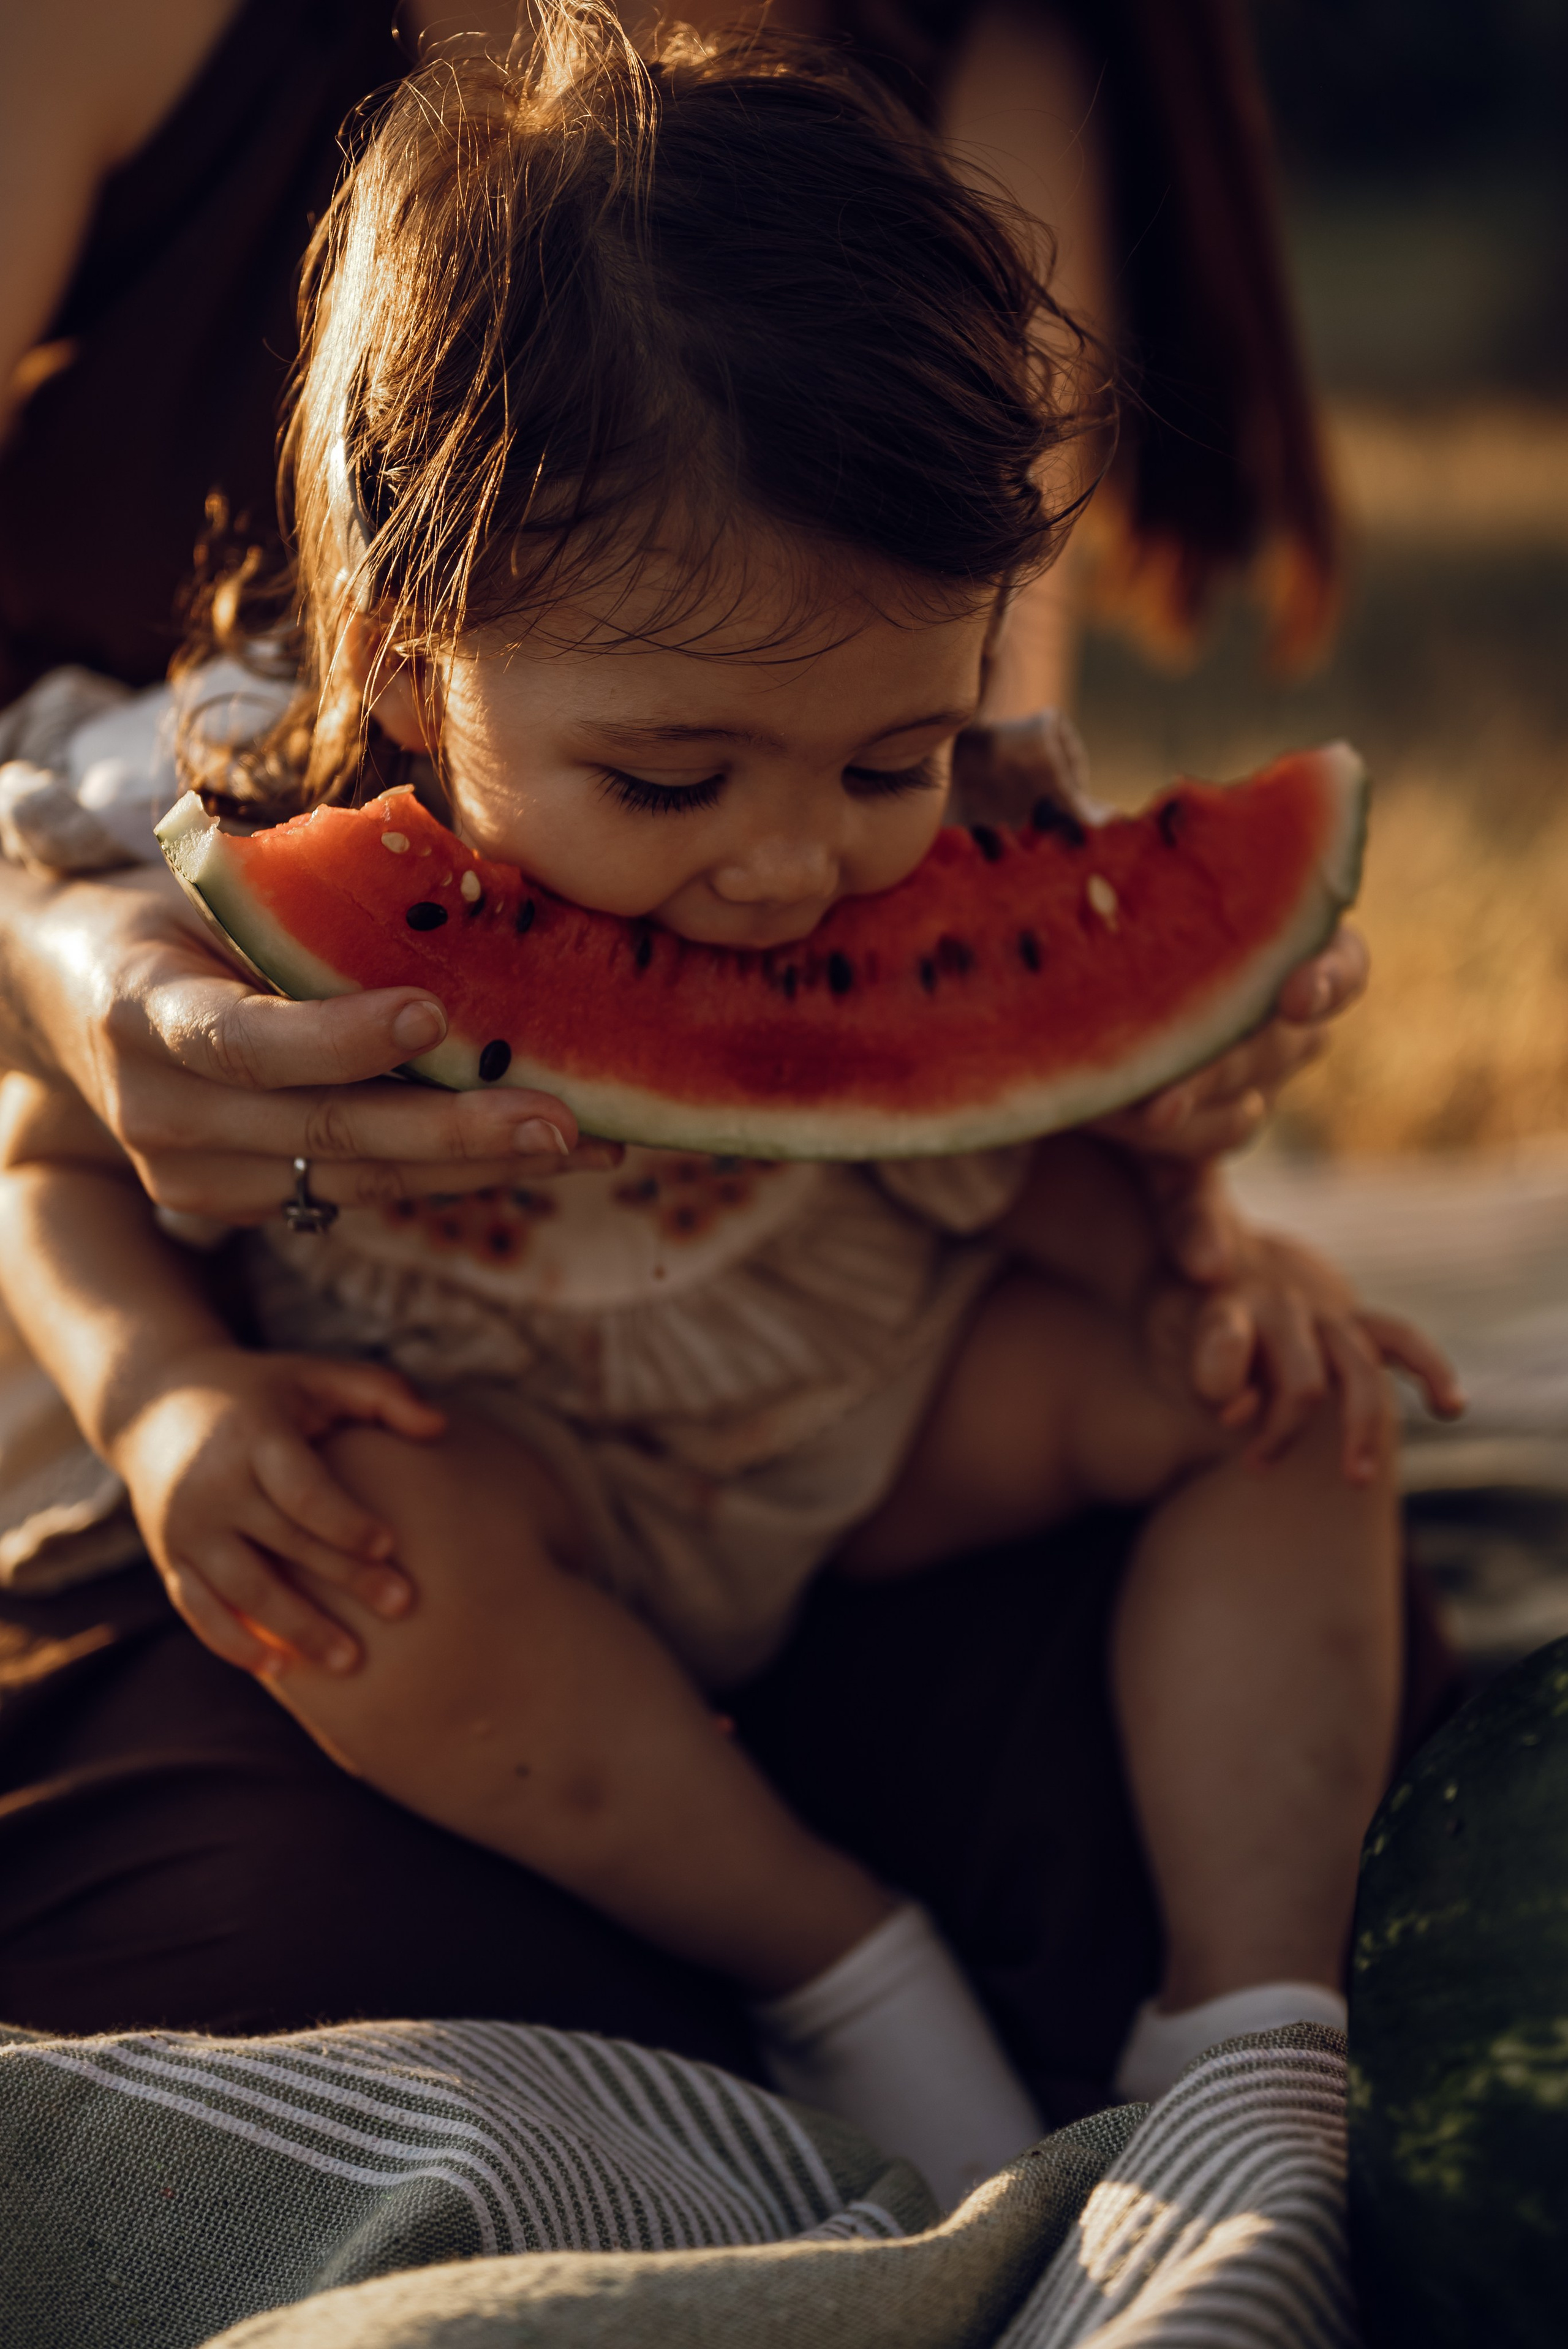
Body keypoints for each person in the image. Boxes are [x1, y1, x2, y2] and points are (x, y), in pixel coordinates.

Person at [0, 15, 1459, 2209]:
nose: (791, 866)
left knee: (1289, 1415)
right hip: (494, 1480)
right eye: (672, 781)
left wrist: (1192, 1219)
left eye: (889, 761)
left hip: (871, 1422)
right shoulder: (194, 812)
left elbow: (1046, 1138)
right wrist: (169, 1391)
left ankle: (1250, 2029)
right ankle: (833, 1964)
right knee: (364, 1588)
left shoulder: (966, 784)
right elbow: (42, 1155)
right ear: (407, 661)